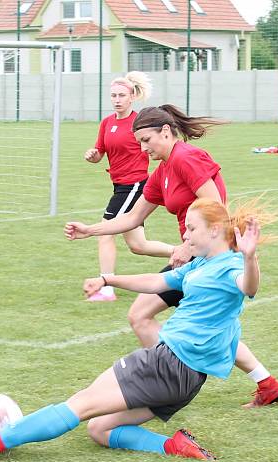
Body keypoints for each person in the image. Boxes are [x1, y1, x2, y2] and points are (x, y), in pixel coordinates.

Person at [0, 197, 278, 462]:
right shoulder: (200, 265)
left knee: (81, 403)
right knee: (100, 429)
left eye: (191, 229)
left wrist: (251, 258)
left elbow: (248, 287)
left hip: (171, 363)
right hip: (185, 379)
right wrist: (108, 279)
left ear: (215, 230)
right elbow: (157, 282)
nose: (185, 237)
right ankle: (174, 446)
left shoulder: (231, 267)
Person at [65, 105, 278, 408]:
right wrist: (90, 229)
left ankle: (167, 384)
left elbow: (216, 204)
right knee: (216, 327)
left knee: (140, 315)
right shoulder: (164, 170)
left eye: (147, 140)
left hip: (205, 256)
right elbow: (133, 217)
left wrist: (186, 248)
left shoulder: (185, 157)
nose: (143, 149)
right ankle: (267, 384)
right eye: (139, 142)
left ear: (165, 132)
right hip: (196, 255)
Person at [83, 72, 174, 301]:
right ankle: (184, 253)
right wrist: (92, 156)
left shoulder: (138, 123)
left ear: (132, 96)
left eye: (121, 95)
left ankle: (106, 288)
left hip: (134, 185)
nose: (117, 99)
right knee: (138, 245)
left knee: (105, 233)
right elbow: (100, 155)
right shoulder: (107, 123)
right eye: (113, 95)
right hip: (119, 186)